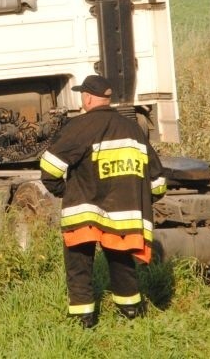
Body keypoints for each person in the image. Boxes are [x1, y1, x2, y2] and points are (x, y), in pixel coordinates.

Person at [39, 75, 167, 329]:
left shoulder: (79, 127)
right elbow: (158, 182)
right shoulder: (132, 130)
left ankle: (83, 320)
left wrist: (62, 191)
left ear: (87, 98)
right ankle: (131, 314)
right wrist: (138, 199)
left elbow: (50, 167)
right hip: (123, 215)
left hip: (83, 213)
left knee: (78, 266)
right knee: (122, 264)